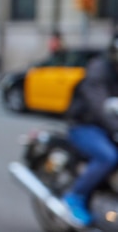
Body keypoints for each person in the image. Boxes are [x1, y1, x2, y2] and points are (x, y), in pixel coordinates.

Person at [62, 35, 118, 226]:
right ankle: (75, 196)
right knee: (108, 156)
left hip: (107, 127)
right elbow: (99, 105)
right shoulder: (99, 69)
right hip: (84, 125)